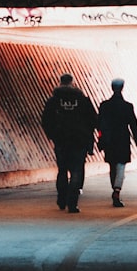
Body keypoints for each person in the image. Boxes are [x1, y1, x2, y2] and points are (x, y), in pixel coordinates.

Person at [40, 73, 97, 213]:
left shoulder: (53, 101)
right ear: (72, 83)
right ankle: (73, 203)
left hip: (61, 140)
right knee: (77, 170)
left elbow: (46, 120)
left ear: (60, 82)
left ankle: (61, 199)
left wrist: (53, 135)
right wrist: (88, 137)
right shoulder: (82, 100)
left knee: (62, 169)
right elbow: (93, 120)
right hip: (79, 140)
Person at [96, 77, 137, 208]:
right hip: (122, 139)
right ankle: (117, 190)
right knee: (121, 166)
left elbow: (99, 124)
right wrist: (136, 138)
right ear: (122, 88)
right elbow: (133, 123)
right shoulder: (127, 106)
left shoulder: (104, 106)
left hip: (109, 140)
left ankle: (114, 188)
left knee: (112, 165)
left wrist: (101, 138)